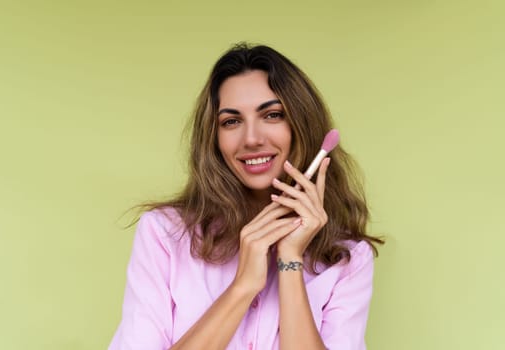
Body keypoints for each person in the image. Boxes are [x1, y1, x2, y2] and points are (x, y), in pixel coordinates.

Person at [109, 43, 383, 350]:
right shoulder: (164, 234)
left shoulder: (347, 259)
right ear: (214, 139)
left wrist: (290, 260)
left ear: (301, 126)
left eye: (272, 115)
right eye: (231, 121)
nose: (251, 139)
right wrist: (242, 287)